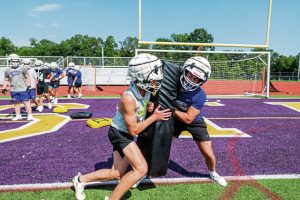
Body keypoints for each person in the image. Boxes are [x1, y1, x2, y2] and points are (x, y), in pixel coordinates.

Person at [72, 53, 172, 200]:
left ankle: (80, 180)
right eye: (153, 77)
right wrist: (155, 117)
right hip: (120, 134)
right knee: (141, 168)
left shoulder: (144, 88)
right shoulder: (128, 98)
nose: (156, 80)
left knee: (116, 173)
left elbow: (140, 109)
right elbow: (134, 129)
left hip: (125, 133)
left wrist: (149, 108)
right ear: (142, 77)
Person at [173, 56, 227, 187]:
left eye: (196, 78)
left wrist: (170, 108)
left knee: (207, 152)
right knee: (159, 145)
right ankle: (145, 171)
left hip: (193, 121)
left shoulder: (200, 95)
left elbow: (188, 118)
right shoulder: (172, 83)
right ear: (184, 71)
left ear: (201, 81)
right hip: (174, 119)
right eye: (190, 75)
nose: (191, 80)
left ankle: (213, 173)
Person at [1, 54, 33, 121]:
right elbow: (6, 80)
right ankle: (18, 115)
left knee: (26, 102)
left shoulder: (23, 69)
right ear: (11, 61)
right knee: (16, 103)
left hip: (23, 89)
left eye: (16, 61)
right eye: (13, 61)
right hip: (13, 89)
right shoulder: (7, 70)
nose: (15, 62)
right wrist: (3, 88)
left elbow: (27, 77)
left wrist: (29, 85)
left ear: (18, 61)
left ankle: (30, 115)